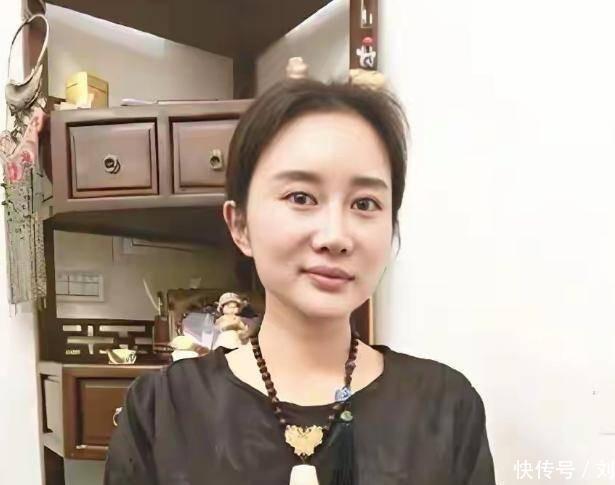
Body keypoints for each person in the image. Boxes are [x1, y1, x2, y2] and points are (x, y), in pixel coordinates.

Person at [105, 79, 496, 485]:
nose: (335, 236)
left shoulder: (446, 408)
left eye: (365, 203)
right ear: (240, 225)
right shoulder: (161, 411)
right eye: (301, 197)